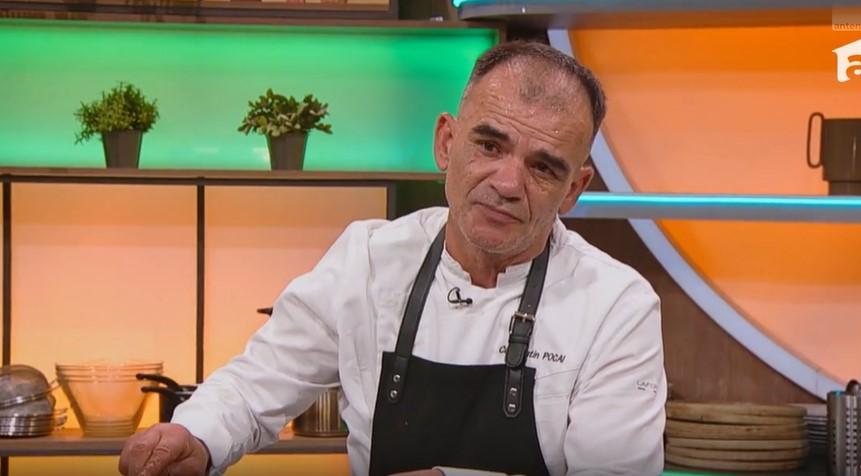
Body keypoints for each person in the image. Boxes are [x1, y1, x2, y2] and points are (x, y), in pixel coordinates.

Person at [118, 40, 666, 476]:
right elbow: (258, 382)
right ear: (446, 142)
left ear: (574, 190)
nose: (506, 183)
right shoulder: (368, 259)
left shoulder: (616, 305)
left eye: (543, 167)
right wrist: (195, 436)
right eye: (489, 145)